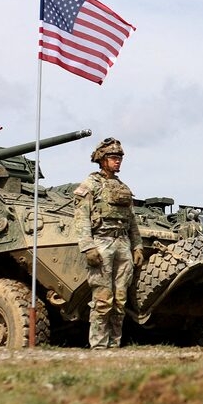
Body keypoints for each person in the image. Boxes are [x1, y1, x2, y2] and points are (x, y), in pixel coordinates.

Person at [74, 137, 144, 349]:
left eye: (119, 158)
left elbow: (131, 220)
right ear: (102, 160)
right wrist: (88, 247)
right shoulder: (90, 185)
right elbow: (81, 218)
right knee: (103, 300)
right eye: (113, 158)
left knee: (120, 300)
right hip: (102, 242)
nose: (118, 162)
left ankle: (114, 345)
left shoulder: (122, 187)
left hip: (122, 243)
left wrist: (137, 245)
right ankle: (98, 346)